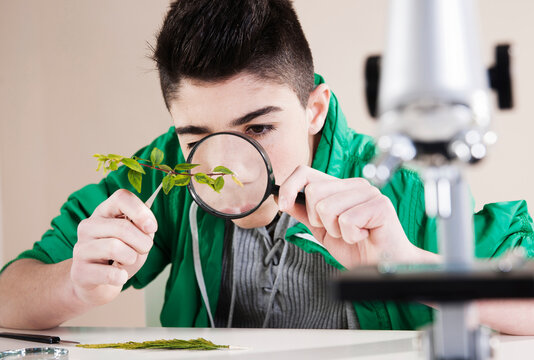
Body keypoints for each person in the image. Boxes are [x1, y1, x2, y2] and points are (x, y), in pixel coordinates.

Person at [0, 0, 533, 334]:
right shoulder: (165, 172)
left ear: (315, 108)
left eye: (257, 129)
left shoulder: (397, 183)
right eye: (199, 137)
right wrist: (73, 285)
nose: (228, 167)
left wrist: (401, 262)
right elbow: (8, 298)